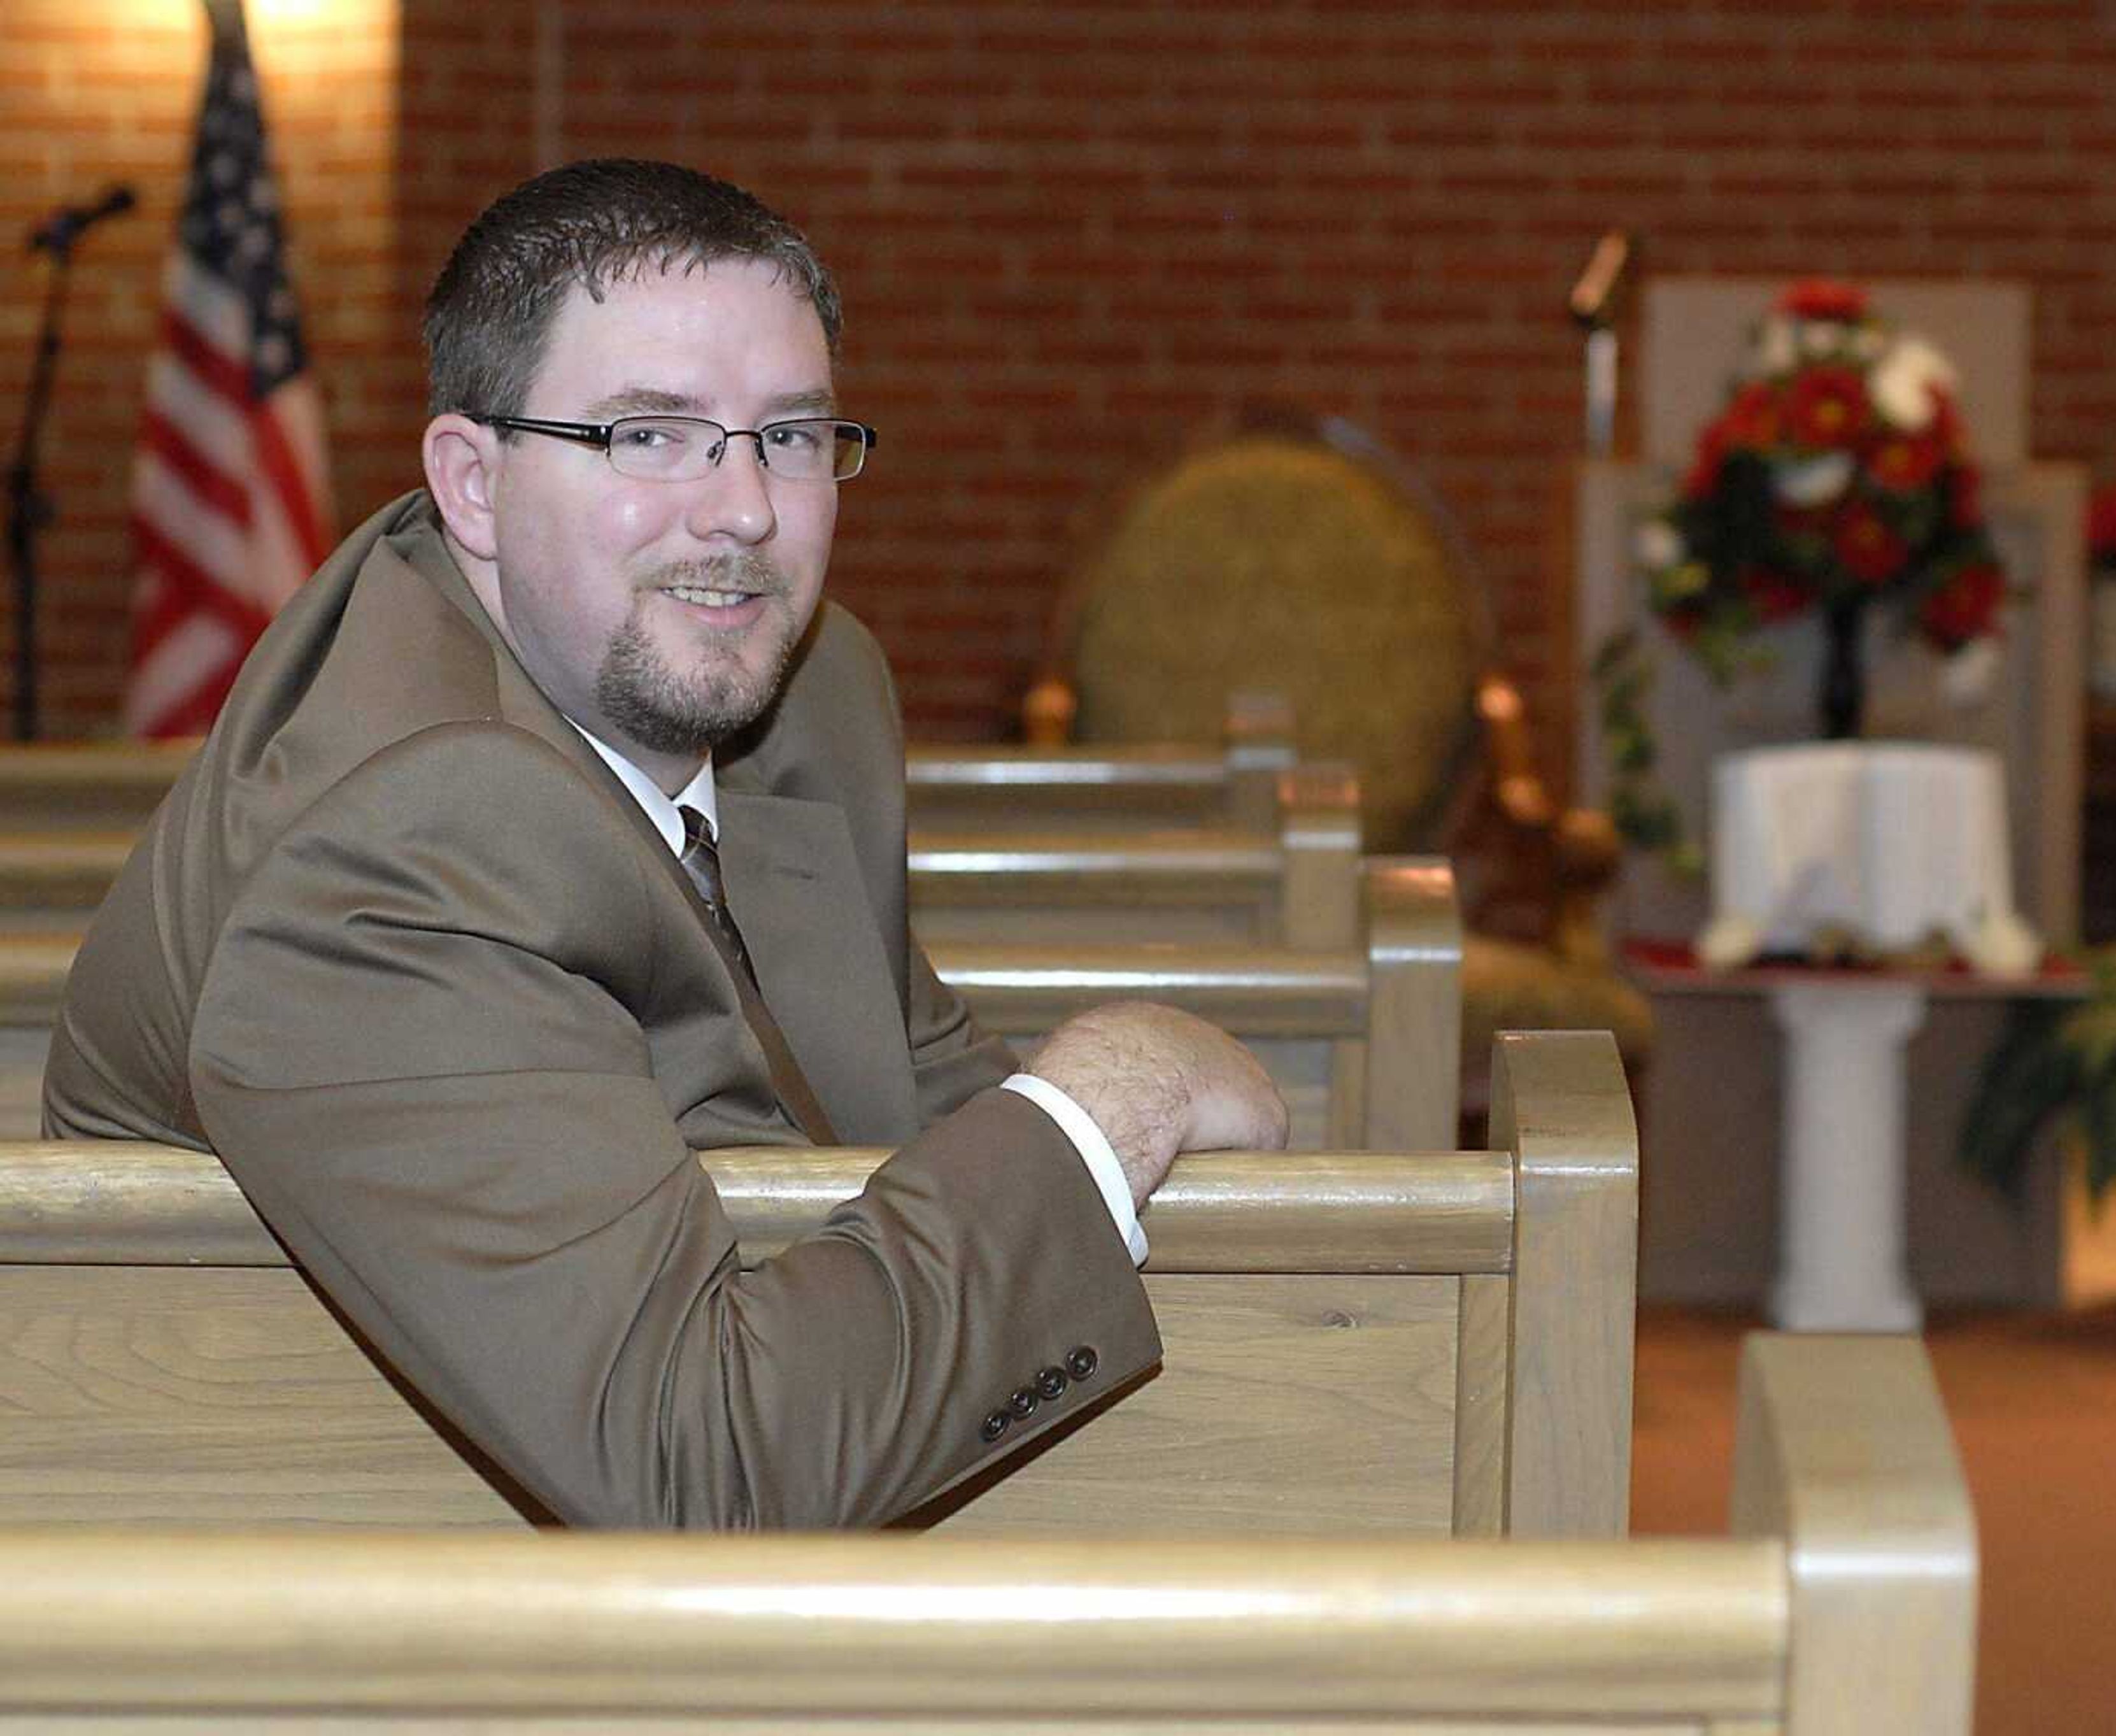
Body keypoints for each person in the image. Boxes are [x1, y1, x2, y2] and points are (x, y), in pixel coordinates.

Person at [43, 158, 1285, 1529]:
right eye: (651, 435)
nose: (744, 510)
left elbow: (897, 1102)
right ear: (471, 482)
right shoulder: (392, 846)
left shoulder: (804, 694)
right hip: (331, 1595)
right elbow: (704, 1469)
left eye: (793, 435)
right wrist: (1121, 1097)